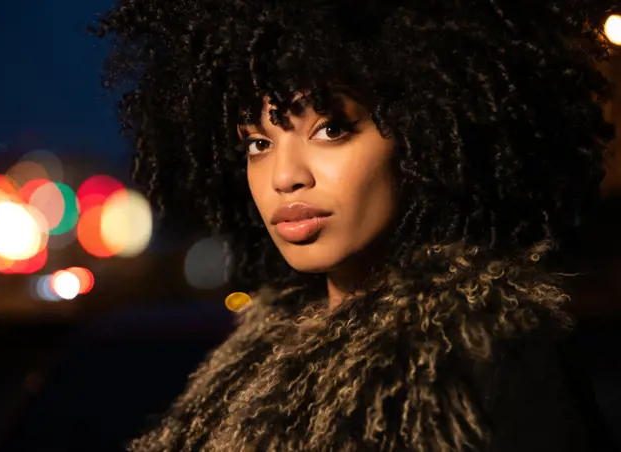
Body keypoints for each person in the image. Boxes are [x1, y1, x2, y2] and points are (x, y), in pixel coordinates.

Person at [92, 1, 619, 450]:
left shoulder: (487, 363)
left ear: (424, 133)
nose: (285, 177)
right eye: (258, 142)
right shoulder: (251, 362)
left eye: (331, 129)